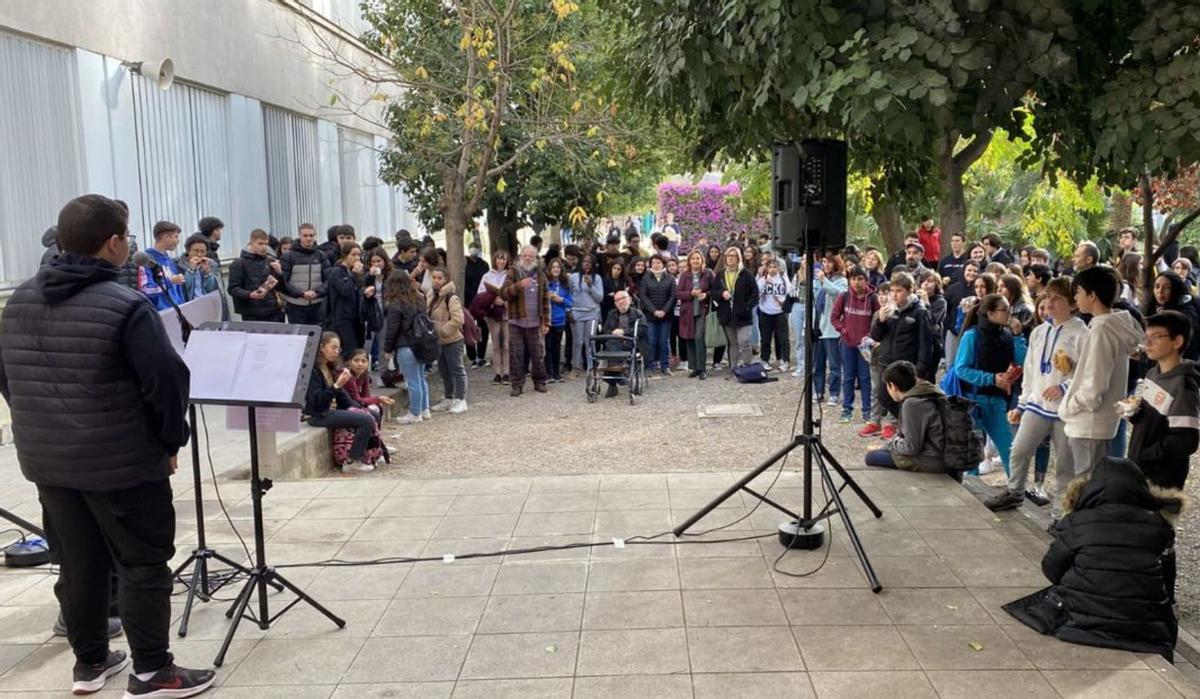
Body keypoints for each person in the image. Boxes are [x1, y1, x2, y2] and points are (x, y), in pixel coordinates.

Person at [0, 194, 214, 696]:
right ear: (114, 243)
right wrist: (170, 440)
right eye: (128, 237)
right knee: (141, 563)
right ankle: (152, 670)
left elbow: (9, 380)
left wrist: (42, 427)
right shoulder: (125, 305)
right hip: (122, 463)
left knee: (78, 562)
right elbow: (165, 382)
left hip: (48, 462)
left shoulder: (18, 300)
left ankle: (90, 663)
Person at [1004, 458, 1182, 660]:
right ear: (1141, 488)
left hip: (1080, 619)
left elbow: (1051, 569)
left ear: (1092, 487)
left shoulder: (1077, 522)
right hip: (1143, 623)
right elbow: (1167, 578)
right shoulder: (1159, 526)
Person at [985, 277, 1087, 512]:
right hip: (1037, 405)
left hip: (1066, 409)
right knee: (1020, 449)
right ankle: (1015, 492)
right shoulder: (1040, 332)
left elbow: (1087, 373)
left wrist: (1064, 385)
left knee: (1065, 464)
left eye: (1057, 298)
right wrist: (1022, 404)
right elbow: (1030, 371)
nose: (1050, 303)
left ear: (1072, 304)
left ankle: (1061, 514)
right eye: (1048, 297)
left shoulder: (1082, 334)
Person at [1125, 310, 1200, 603]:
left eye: (1156, 337)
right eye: (1147, 337)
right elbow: (1152, 417)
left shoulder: (1184, 385)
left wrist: (1149, 453)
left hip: (1164, 476)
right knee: (1139, 533)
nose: (1148, 343)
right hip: (1140, 467)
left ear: (1177, 341)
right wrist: (1135, 413)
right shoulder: (1153, 373)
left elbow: (1185, 440)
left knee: (1160, 537)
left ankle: (1164, 599)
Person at [1058, 266, 1145, 509]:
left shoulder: (1102, 329)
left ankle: (1088, 537)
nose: (1075, 298)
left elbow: (1095, 383)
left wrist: (1073, 404)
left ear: (1092, 295)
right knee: (1089, 483)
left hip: (1090, 421)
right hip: (1093, 420)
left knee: (1087, 487)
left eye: (1078, 292)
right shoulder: (1108, 325)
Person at [953, 293, 1028, 476]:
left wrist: (1018, 336)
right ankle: (971, 491)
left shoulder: (1008, 336)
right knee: (972, 453)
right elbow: (960, 369)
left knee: (1009, 448)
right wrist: (992, 379)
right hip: (973, 402)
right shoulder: (972, 336)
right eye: (1004, 310)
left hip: (997, 402)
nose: (1009, 314)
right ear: (990, 313)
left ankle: (1017, 489)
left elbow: (1023, 361)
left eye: (1010, 309)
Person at [306, 333, 378, 472]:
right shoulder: (313, 370)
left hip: (330, 410)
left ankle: (376, 450)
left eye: (338, 349)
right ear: (321, 347)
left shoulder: (329, 367)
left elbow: (343, 396)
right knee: (366, 420)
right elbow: (316, 400)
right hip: (318, 414)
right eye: (333, 347)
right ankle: (351, 462)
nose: (336, 352)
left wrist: (360, 406)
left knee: (373, 414)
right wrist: (337, 385)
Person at [870, 272, 936, 422]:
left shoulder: (919, 312)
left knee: (906, 400)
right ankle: (905, 424)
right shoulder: (889, 309)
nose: (894, 295)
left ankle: (909, 428)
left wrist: (919, 370)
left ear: (909, 290)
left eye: (898, 291)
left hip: (905, 366)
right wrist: (880, 321)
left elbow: (926, 344)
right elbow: (875, 336)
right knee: (883, 397)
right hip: (886, 363)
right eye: (892, 291)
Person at [863, 361, 947, 472]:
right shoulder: (928, 390)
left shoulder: (912, 404)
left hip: (934, 460)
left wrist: (888, 445)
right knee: (885, 451)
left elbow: (910, 447)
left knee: (872, 457)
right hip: (942, 454)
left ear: (892, 386)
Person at [501, 245, 551, 396]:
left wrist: (546, 322)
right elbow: (503, 293)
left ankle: (540, 382)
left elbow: (545, 299)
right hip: (516, 321)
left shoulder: (541, 275)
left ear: (536, 258)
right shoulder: (513, 272)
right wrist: (518, 286)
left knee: (538, 354)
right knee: (516, 354)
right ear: (520, 256)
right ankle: (516, 385)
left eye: (531, 256)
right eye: (525, 255)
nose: (528, 258)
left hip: (535, 322)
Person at [383, 270, 431, 424]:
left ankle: (415, 412)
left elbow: (392, 329)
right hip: (421, 343)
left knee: (412, 380)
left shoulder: (396, 303)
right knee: (421, 378)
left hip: (405, 345)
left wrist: (387, 348)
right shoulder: (419, 299)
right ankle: (424, 409)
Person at [832, 267, 878, 423]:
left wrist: (871, 337)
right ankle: (847, 409)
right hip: (847, 343)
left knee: (865, 378)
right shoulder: (844, 297)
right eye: (853, 279)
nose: (857, 282)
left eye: (860, 279)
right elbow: (834, 317)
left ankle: (867, 411)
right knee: (848, 377)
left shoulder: (873, 299)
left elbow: (877, 321)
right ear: (849, 280)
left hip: (865, 347)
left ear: (866, 280)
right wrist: (843, 330)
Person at [426, 267, 469, 414]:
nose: (436, 281)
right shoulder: (432, 295)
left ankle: (460, 399)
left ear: (446, 280)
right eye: (434, 277)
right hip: (438, 341)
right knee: (444, 371)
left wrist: (443, 330)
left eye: (440, 278)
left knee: (457, 369)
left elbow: (458, 319)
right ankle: (449, 397)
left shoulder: (451, 297)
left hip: (452, 339)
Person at [713, 246, 759, 368]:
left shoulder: (745, 274)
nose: (731, 258)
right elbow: (714, 292)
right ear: (725, 258)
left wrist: (747, 307)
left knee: (744, 341)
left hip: (743, 314)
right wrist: (722, 294)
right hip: (727, 314)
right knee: (733, 343)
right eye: (729, 256)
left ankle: (747, 367)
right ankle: (733, 369)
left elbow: (755, 293)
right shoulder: (721, 274)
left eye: (734, 256)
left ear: (739, 258)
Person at [326, 242, 375, 357]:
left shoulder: (358, 273)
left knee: (359, 348)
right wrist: (353, 274)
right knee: (350, 350)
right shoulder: (336, 272)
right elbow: (346, 291)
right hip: (343, 318)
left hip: (358, 317)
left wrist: (366, 291)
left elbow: (358, 290)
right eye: (353, 255)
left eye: (359, 255)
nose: (357, 258)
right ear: (345, 256)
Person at [860, 282, 896, 438]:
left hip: (891, 358)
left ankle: (891, 423)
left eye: (886, 293)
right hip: (876, 358)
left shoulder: (896, 313)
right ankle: (875, 420)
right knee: (876, 391)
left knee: (892, 391)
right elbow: (874, 334)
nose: (882, 297)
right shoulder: (876, 314)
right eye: (880, 293)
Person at [227, 229, 285, 322]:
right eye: (260, 244)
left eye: (266, 244)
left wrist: (280, 273)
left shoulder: (270, 261)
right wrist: (249, 295)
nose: (264, 247)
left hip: (273, 310)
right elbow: (233, 289)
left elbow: (280, 287)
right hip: (251, 312)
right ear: (251, 243)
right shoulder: (238, 263)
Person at [599, 290, 648, 398]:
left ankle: (614, 380)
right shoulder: (611, 314)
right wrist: (612, 332)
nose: (621, 302)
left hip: (632, 343)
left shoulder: (637, 313)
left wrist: (624, 332)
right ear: (615, 303)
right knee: (611, 344)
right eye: (618, 300)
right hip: (614, 344)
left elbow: (643, 329)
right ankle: (618, 375)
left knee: (611, 351)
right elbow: (604, 331)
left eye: (623, 298)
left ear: (629, 299)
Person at [812, 254, 848, 402]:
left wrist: (824, 280)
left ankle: (834, 392)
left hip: (831, 329)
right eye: (824, 262)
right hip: (818, 326)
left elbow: (839, 294)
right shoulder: (817, 280)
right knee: (817, 364)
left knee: (834, 365)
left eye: (829, 262)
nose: (826, 265)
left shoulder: (842, 281)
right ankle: (818, 391)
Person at [280, 223, 330, 326]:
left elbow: (329, 279)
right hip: (295, 305)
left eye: (311, 235)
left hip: (317, 304)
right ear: (299, 236)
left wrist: (317, 293)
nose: (308, 238)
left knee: (317, 336)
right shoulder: (288, 256)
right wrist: (301, 293)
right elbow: (283, 282)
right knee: (298, 338)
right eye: (305, 235)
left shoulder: (321, 255)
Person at [1143, 271, 1200, 361]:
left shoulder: (1185, 315)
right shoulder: (1157, 307)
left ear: (1175, 289)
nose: (1160, 291)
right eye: (1157, 287)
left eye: (1167, 288)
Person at [676, 249, 714, 380]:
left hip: (702, 311)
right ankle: (694, 367)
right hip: (688, 311)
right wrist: (690, 294)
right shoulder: (684, 275)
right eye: (693, 259)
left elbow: (714, 289)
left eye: (698, 258)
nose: (695, 261)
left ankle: (702, 368)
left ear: (702, 260)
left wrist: (706, 294)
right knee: (689, 338)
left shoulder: (708, 274)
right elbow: (678, 293)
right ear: (689, 261)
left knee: (699, 338)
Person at [135, 221, 187, 311]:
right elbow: (146, 289)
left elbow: (177, 290)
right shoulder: (146, 259)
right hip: (161, 314)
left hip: (177, 312)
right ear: (166, 237)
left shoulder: (170, 260)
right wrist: (170, 282)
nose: (178, 241)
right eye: (176, 237)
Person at [477, 250, 511, 384]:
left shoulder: (510, 275)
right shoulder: (487, 276)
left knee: (507, 343)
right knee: (496, 343)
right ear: (495, 260)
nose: (501, 261)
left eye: (504, 259)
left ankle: (507, 371)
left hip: (507, 311)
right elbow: (480, 294)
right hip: (492, 312)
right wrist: (492, 300)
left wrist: (505, 300)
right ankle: (497, 372)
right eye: (499, 258)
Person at [639, 254, 676, 375]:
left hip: (666, 316)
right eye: (654, 262)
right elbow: (643, 297)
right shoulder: (645, 278)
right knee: (651, 340)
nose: (656, 265)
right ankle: (649, 365)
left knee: (664, 341)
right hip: (650, 315)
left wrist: (664, 311)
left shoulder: (670, 279)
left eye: (658, 262)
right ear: (650, 264)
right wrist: (654, 311)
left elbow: (673, 296)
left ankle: (665, 365)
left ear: (663, 264)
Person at [569, 253, 603, 378]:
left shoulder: (597, 278)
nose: (587, 264)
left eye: (589, 262)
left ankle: (591, 366)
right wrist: (569, 311)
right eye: (584, 261)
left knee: (590, 342)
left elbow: (599, 298)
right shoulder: (573, 277)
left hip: (592, 313)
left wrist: (590, 286)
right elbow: (569, 295)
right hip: (577, 312)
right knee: (578, 342)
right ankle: (575, 367)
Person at [756, 257, 791, 372]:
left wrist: (783, 302)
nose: (772, 269)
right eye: (770, 267)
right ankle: (765, 359)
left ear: (778, 268)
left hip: (780, 312)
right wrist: (764, 283)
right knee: (765, 338)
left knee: (783, 338)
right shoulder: (762, 279)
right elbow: (757, 293)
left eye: (774, 267)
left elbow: (789, 292)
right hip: (765, 311)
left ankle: (785, 360)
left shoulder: (783, 279)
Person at [343, 348, 395, 422]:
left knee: (378, 408)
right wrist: (378, 399)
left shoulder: (364, 375)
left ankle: (375, 432)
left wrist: (377, 400)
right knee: (373, 413)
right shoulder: (348, 377)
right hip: (347, 406)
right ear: (349, 362)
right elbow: (357, 400)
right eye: (356, 360)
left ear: (368, 363)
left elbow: (366, 396)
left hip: (358, 404)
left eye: (363, 361)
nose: (360, 364)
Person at [544, 257, 574, 382]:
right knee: (547, 346)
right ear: (549, 269)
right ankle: (548, 373)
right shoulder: (545, 283)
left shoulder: (565, 284)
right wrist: (547, 296)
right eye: (553, 267)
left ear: (561, 269)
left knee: (557, 347)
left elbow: (570, 302)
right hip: (547, 318)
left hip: (560, 319)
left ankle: (557, 373)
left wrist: (560, 299)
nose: (555, 269)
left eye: (558, 267)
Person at [464, 244, 490, 368]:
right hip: (468, 300)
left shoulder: (484, 265)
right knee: (468, 327)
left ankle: (481, 356)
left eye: (475, 247)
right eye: (471, 247)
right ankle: (472, 356)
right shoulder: (465, 264)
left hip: (481, 300)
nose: (473, 250)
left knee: (483, 328)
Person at [179, 234, 219, 301]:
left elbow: (212, 289)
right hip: (189, 304)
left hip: (206, 302)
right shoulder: (179, 265)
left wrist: (207, 272)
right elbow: (185, 288)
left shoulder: (212, 264)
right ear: (188, 251)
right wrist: (190, 269)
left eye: (202, 251)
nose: (199, 254)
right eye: (196, 251)